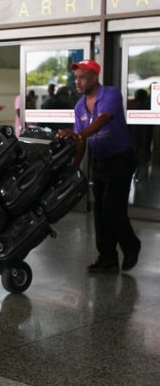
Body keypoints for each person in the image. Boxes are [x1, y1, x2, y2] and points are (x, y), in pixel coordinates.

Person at [57, 59, 141, 273]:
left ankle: (131, 245)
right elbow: (80, 140)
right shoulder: (79, 106)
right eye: (75, 78)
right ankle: (107, 258)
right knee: (99, 212)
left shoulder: (110, 94)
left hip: (121, 159)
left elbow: (102, 119)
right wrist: (74, 167)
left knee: (113, 210)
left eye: (82, 77)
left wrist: (79, 133)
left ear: (94, 77)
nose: (77, 82)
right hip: (100, 161)